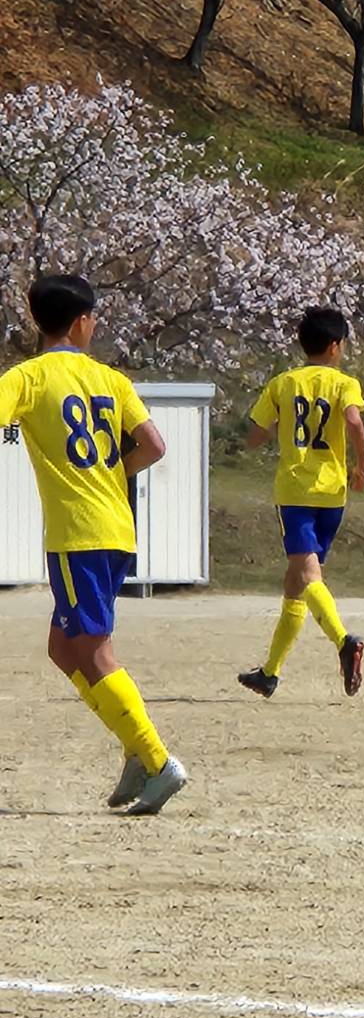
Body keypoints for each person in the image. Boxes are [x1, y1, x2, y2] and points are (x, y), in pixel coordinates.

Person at [0, 275, 187, 813]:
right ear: (82, 321)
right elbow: (154, 446)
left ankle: (158, 761)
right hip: (117, 527)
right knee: (64, 647)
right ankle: (136, 752)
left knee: (93, 650)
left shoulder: (28, 377)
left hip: (76, 533)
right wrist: (112, 472)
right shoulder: (112, 379)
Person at [237, 308, 364, 698]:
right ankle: (270, 672)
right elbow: (354, 421)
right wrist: (361, 467)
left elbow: (255, 435)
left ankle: (344, 641)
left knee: (309, 577)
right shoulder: (345, 383)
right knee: (296, 582)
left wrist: (269, 432)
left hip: (296, 492)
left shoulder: (283, 383)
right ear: (335, 346)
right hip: (333, 493)